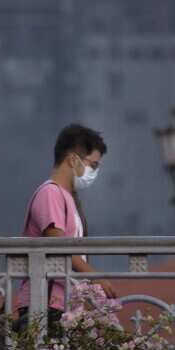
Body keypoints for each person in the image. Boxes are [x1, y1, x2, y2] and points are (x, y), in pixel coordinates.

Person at [14, 123, 119, 338]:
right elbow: (58, 244)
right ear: (73, 159)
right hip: (45, 304)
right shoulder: (50, 193)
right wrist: (96, 277)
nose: (94, 173)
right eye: (93, 165)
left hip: (63, 305)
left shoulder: (69, 199)